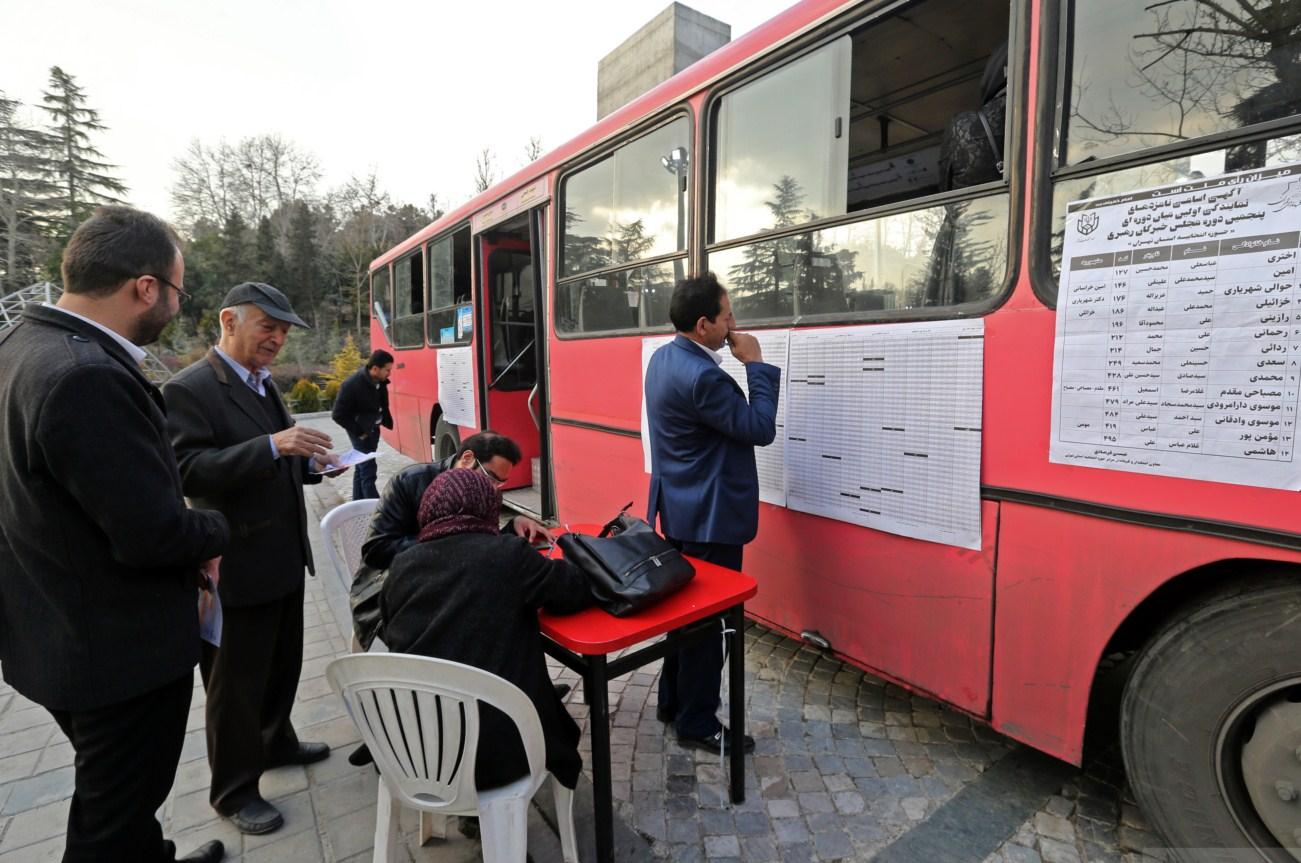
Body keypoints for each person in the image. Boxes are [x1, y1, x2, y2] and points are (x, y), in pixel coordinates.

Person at [0, 206, 228, 863]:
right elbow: (152, 532)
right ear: (146, 286)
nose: (175, 307)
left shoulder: (20, 345)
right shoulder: (87, 376)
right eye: (178, 290)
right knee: (111, 817)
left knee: (119, 798)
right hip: (114, 653)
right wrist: (216, 526)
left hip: (54, 634)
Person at [163, 282, 344, 836]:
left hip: (283, 555)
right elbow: (188, 470)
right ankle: (234, 790)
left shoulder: (262, 385)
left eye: (285, 330)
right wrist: (274, 446)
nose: (278, 338)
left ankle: (276, 742)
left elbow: (272, 457)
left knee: (282, 663)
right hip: (235, 562)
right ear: (229, 320)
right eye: (268, 325)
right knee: (234, 685)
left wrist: (311, 466)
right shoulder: (189, 389)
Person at [381, 468, 593, 791]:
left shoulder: (401, 566)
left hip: (421, 746)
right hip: (497, 753)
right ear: (487, 510)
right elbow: (573, 590)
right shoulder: (506, 555)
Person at [644, 272, 779, 754]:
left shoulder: (663, 358)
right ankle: (698, 722)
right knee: (710, 626)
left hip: (679, 508)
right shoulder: (705, 376)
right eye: (727, 318)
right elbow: (759, 427)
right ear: (703, 325)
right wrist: (756, 364)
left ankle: (672, 702)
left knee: (683, 615)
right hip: (712, 515)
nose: (733, 325)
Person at [351, 430, 554, 650]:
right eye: (491, 478)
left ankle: (526, 682)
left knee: (513, 607)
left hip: (449, 587)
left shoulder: (486, 492)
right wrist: (448, 542)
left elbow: (481, 545)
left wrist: (512, 527)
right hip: (393, 596)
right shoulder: (410, 481)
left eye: (501, 484)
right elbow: (376, 550)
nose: (493, 488)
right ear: (467, 458)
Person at [331, 349, 394, 499]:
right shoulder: (351, 384)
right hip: (360, 434)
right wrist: (360, 432)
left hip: (373, 430)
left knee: (361, 468)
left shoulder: (379, 381)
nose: (389, 374)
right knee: (368, 470)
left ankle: (356, 502)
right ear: (375, 368)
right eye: (387, 370)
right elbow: (338, 414)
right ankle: (373, 509)